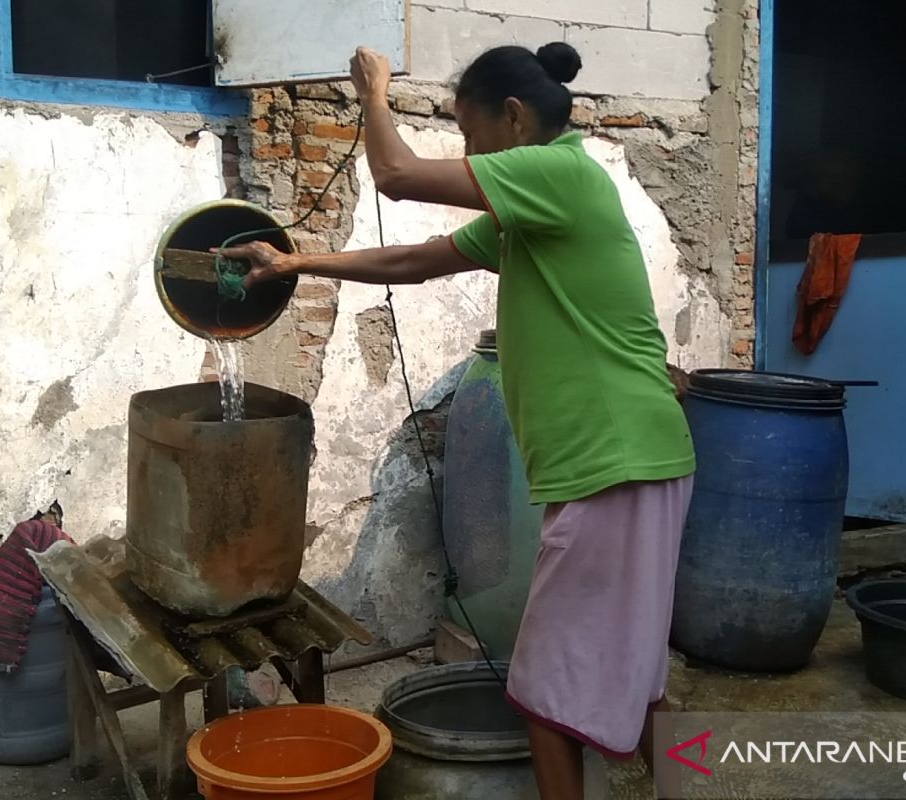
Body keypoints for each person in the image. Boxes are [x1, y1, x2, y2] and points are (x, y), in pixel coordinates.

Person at [220, 43, 696, 800]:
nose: (470, 156)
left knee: (544, 691)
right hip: (627, 462)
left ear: (512, 118)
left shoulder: (560, 173)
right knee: (630, 679)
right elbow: (416, 261)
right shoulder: (535, 209)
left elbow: (397, 177)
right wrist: (297, 265)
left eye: (471, 138)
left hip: (617, 462)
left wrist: (374, 95)